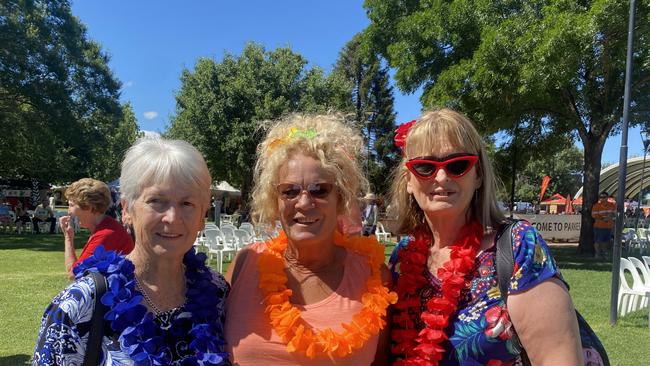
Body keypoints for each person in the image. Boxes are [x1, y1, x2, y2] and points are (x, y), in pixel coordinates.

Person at [389, 109, 587, 365]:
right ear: (408, 180)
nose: (441, 177)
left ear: (478, 175)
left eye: (457, 165)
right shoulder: (401, 258)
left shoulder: (518, 246)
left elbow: (558, 359)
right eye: (425, 166)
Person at [34, 138, 230, 365]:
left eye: (187, 204)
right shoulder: (78, 306)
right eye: (157, 201)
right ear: (127, 210)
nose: (173, 218)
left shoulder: (219, 294)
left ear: (202, 216)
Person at [225, 114, 396, 365]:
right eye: (290, 191)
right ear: (275, 199)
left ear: (341, 196)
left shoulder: (373, 276)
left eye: (319, 189)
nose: (304, 203)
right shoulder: (244, 264)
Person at [59, 178, 135, 279]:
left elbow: (74, 274)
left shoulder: (107, 234)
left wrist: (68, 238)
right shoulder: (106, 227)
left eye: (71, 205)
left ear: (88, 207)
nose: (69, 211)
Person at [591, 191, 616, 258]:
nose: (602, 199)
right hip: (598, 226)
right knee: (598, 241)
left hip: (608, 227)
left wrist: (609, 217)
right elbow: (594, 215)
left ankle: (604, 253)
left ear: (607, 197)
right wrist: (603, 218)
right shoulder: (596, 206)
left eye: (604, 197)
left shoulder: (612, 205)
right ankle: (597, 254)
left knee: (606, 241)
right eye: (601, 197)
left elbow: (614, 213)